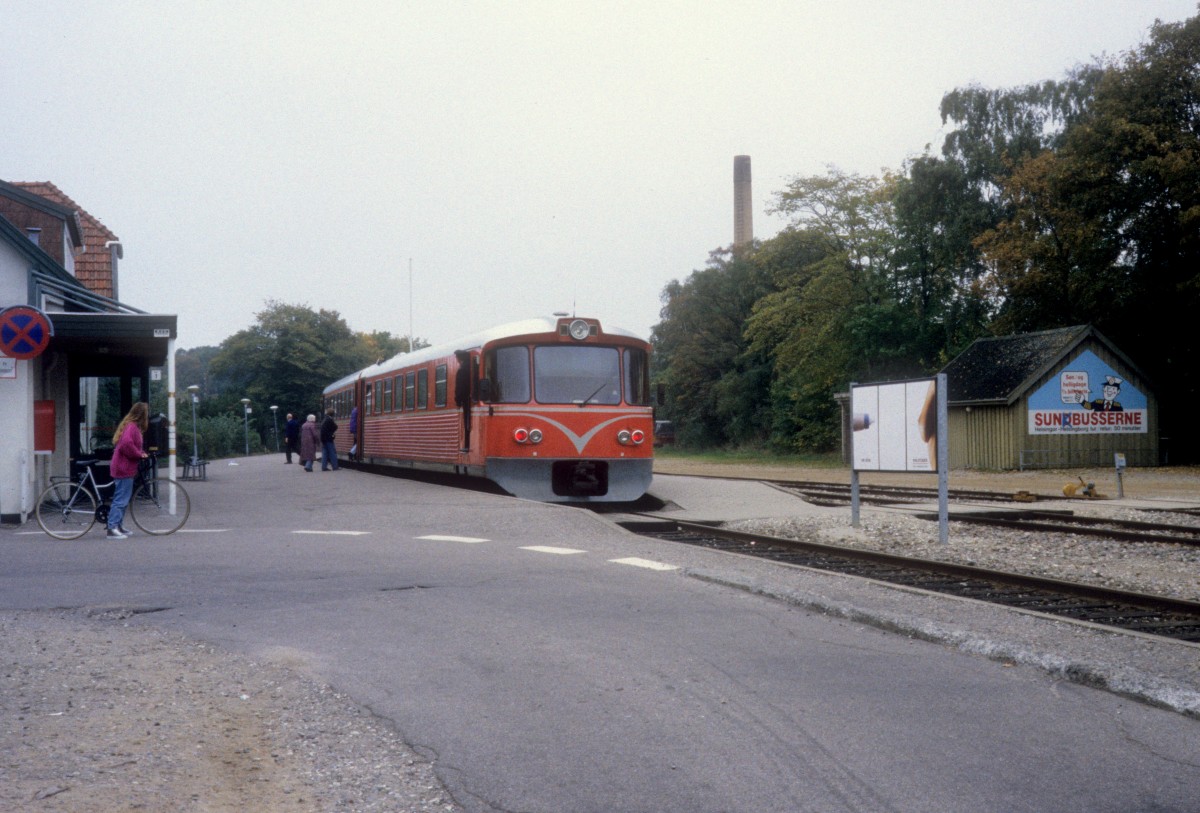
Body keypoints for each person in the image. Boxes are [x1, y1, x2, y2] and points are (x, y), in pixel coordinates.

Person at [107, 402, 149, 539]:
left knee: (124, 498)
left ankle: (118, 525)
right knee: (120, 499)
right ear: (143, 415)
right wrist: (138, 454)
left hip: (124, 467)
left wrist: (140, 452)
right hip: (123, 467)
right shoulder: (132, 427)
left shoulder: (131, 426)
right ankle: (112, 528)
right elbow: (126, 444)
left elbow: (130, 444)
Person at [454, 349, 472, 452]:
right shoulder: (472, 367)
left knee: (467, 423)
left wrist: (458, 401)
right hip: (471, 398)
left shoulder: (462, 370)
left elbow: (460, 388)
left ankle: (467, 444)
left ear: (460, 358)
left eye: (456, 358)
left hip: (467, 401)